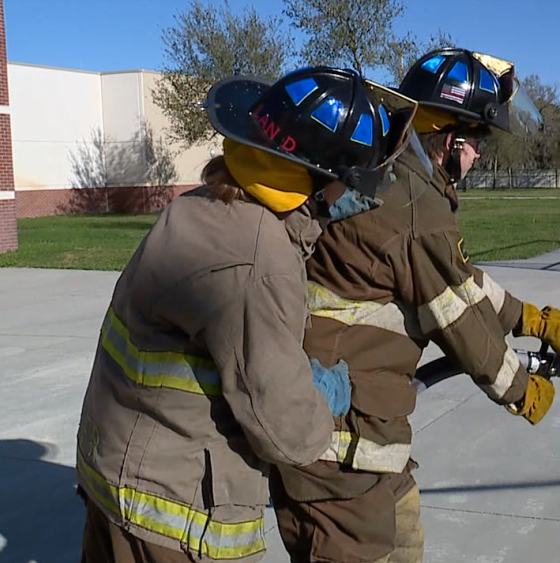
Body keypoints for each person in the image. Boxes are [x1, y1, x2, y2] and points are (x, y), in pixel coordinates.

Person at [74, 66, 417, 563]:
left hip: (114, 479)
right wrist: (321, 398)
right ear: (317, 180)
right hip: (173, 518)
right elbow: (286, 430)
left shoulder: (199, 206)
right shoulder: (261, 261)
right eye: (348, 182)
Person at [268, 48, 560, 563]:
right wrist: (519, 388)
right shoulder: (414, 202)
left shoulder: (402, 179)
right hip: (337, 436)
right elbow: (457, 319)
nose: (479, 155)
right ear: (449, 138)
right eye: (477, 140)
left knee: (405, 535)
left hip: (364, 424)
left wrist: (530, 319)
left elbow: (453, 277)